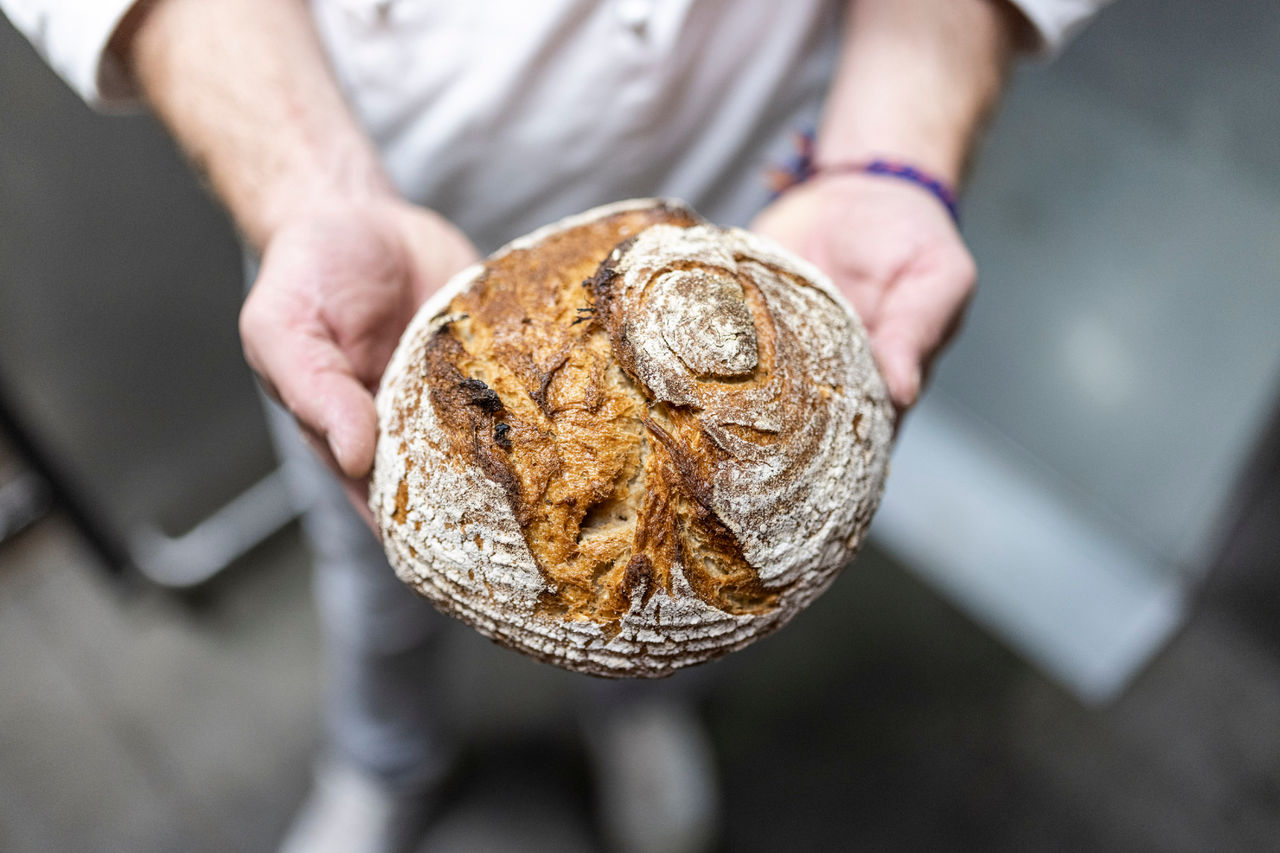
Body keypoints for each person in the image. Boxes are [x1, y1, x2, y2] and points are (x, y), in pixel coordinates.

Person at [3, 1, 1109, 850]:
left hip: (754, 200)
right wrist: (309, 190)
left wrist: (890, 144)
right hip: (364, 186)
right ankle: (382, 759)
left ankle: (637, 714)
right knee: (368, 555)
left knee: (677, 607)